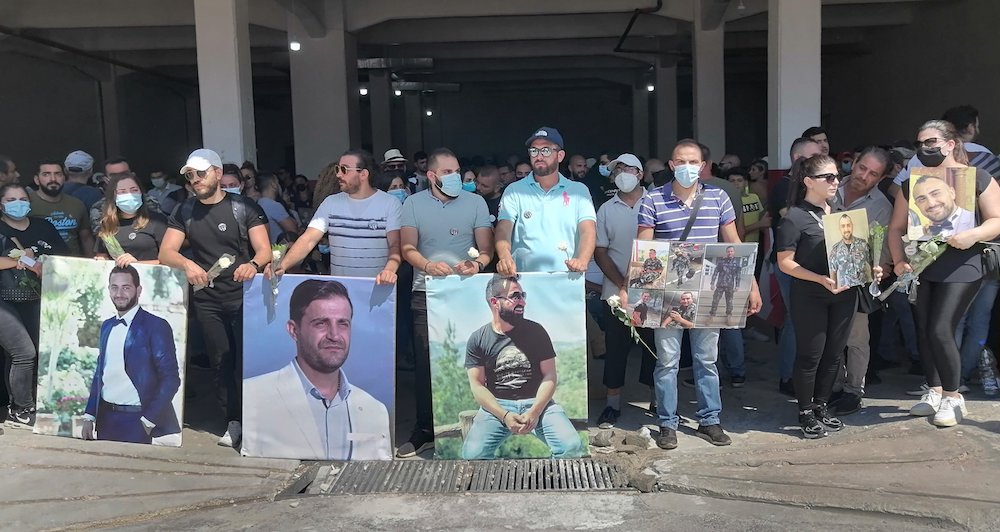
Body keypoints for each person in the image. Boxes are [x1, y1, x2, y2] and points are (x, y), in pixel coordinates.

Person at [637, 139, 762, 450]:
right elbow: (642, 249)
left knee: (707, 359)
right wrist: (638, 296)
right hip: (666, 291)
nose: (687, 167)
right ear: (671, 165)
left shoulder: (718, 198)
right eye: (681, 161)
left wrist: (751, 286)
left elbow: (733, 240)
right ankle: (667, 423)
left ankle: (710, 419)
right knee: (667, 361)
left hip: (708, 289)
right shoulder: (652, 200)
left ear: (703, 166)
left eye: (693, 162)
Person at [889, 120, 1000, 427]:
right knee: (924, 328)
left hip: (964, 263)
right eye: (920, 144)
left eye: (931, 142)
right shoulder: (911, 183)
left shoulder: (978, 177)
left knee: (940, 327)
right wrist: (899, 261)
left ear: (951, 143)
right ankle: (935, 390)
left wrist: (973, 234)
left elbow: (997, 219)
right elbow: (897, 227)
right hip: (923, 264)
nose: (925, 148)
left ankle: (953, 396)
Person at [159, 148, 271, 449]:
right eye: (191, 175)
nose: (196, 180)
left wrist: (253, 265)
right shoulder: (183, 211)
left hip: (245, 296)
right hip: (208, 298)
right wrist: (188, 264)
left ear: (218, 174)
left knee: (247, 361)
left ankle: (260, 421)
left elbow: (264, 250)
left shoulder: (243, 207)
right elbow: (166, 252)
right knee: (221, 361)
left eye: (202, 173)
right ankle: (233, 421)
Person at [396, 147, 494, 458]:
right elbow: (407, 247)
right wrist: (426, 265)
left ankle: (475, 425)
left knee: (472, 361)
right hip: (426, 295)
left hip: (466, 294)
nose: (454, 177)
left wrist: (477, 265)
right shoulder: (413, 204)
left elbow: (487, 250)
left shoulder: (475, 202)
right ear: (432, 175)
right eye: (448, 172)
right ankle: (425, 428)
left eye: (457, 170)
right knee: (427, 364)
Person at [242, 279, 390, 459]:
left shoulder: (375, 410)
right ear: (293, 330)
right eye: (321, 323)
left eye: (343, 323)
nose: (334, 336)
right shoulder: (253, 396)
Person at [776, 154, 858, 439]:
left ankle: (822, 405)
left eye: (837, 175)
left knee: (835, 353)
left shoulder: (838, 212)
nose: (836, 181)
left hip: (844, 293)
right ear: (809, 182)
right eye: (829, 177)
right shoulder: (795, 217)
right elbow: (785, 262)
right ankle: (805, 410)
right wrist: (819, 279)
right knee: (811, 355)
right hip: (811, 294)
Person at [460, 274, 585, 459]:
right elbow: (477, 386)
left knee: (571, 447)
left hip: (537, 402)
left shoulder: (537, 332)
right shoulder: (477, 339)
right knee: (472, 455)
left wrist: (534, 412)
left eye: (523, 296)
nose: (523, 303)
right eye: (515, 296)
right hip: (497, 406)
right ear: (495, 302)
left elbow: (549, 376)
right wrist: (504, 415)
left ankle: (553, 483)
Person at [80, 265, 180, 444]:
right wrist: (89, 416)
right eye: (114, 287)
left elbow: (171, 378)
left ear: (138, 290)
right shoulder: (107, 326)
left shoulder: (156, 326)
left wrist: (149, 420)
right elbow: (100, 373)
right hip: (106, 419)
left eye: (126, 287)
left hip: (137, 420)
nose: (119, 294)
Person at [828, 147, 893, 416]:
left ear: (881, 178)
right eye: (862, 167)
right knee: (827, 338)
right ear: (853, 164)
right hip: (820, 277)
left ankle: (853, 392)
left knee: (856, 340)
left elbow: (886, 256)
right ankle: (831, 387)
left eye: (873, 173)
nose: (864, 175)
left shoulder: (882, 206)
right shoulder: (829, 187)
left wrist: (881, 268)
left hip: (857, 281)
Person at [593, 154, 657, 427]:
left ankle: (659, 401)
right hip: (614, 292)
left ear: (640, 174)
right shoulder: (607, 208)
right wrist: (621, 283)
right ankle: (612, 405)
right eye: (618, 169)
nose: (623, 173)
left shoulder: (656, 203)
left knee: (656, 349)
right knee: (616, 348)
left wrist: (638, 283)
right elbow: (600, 250)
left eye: (629, 168)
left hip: (654, 291)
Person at [273, 149, 401, 284]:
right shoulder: (330, 203)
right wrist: (282, 264)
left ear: (363, 174)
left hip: (378, 288)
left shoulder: (390, 203)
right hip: (340, 292)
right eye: (337, 169)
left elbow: (395, 244)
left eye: (344, 170)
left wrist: (389, 270)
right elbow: (309, 239)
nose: (338, 174)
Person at [0, 183, 67, 429]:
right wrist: (20, 261)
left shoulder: (43, 226)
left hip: (39, 298)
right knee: (23, 352)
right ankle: (21, 407)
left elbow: (64, 258)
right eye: (10, 199)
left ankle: (28, 401)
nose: (17, 203)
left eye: (21, 198)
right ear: (1, 204)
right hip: (3, 300)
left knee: (36, 353)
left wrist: (42, 262)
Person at [495, 127, 596, 275]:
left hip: (568, 277)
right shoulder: (514, 190)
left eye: (546, 150)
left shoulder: (579, 191)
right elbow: (503, 229)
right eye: (534, 151)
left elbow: (588, 230)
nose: (539, 156)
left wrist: (582, 260)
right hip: (524, 279)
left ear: (560, 155)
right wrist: (505, 258)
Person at [770, 138, 823, 397]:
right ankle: (788, 377)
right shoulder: (783, 186)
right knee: (795, 320)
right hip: (789, 264)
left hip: (815, 267)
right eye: (812, 157)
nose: (817, 162)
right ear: (797, 158)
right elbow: (791, 219)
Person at [94, 173, 168, 265]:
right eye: (122, 191)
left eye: (134, 190)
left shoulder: (157, 221)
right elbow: (102, 256)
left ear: (141, 192)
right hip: (118, 278)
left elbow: (169, 261)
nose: (129, 195)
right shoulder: (107, 224)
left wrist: (137, 264)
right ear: (113, 196)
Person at [30, 160, 94, 257]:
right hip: (38, 265)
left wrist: (92, 263)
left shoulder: (77, 204)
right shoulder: (27, 204)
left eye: (58, 174)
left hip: (73, 264)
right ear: (36, 179)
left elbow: (86, 238)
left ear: (64, 178)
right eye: (46, 174)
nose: (53, 179)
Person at [909, 174, 975, 239]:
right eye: (922, 199)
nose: (931, 204)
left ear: (952, 193)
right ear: (917, 206)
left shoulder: (977, 222)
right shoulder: (920, 239)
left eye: (935, 194)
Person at [828, 214, 872, 289]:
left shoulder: (863, 244)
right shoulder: (835, 250)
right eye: (843, 226)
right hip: (846, 293)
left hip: (865, 288)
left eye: (848, 225)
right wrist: (834, 293)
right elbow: (833, 274)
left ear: (852, 226)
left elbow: (872, 265)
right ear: (839, 228)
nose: (846, 229)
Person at [255, 173, 300, 244]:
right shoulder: (273, 205)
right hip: (279, 250)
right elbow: (293, 231)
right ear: (273, 184)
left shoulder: (258, 203)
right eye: (277, 183)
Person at [709, 246, 743, 323]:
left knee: (729, 301)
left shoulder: (737, 264)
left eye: (731, 251)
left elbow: (738, 276)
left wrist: (737, 285)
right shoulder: (721, 262)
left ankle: (729, 316)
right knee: (715, 300)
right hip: (720, 285)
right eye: (728, 251)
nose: (730, 253)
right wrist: (712, 283)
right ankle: (711, 315)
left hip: (730, 286)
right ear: (726, 252)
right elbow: (715, 273)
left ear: (734, 252)